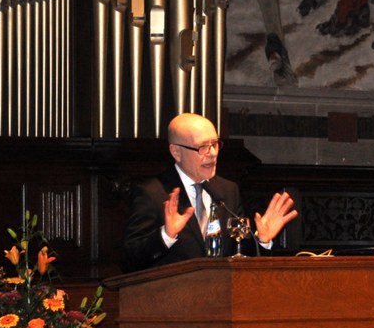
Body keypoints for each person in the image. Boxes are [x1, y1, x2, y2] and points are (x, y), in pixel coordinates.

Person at [120, 113, 298, 273]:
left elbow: (240, 255)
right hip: (173, 301)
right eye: (202, 147)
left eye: (215, 144)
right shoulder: (152, 193)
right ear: (176, 152)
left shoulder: (228, 190)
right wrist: (166, 235)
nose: (212, 154)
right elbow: (129, 261)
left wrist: (262, 240)